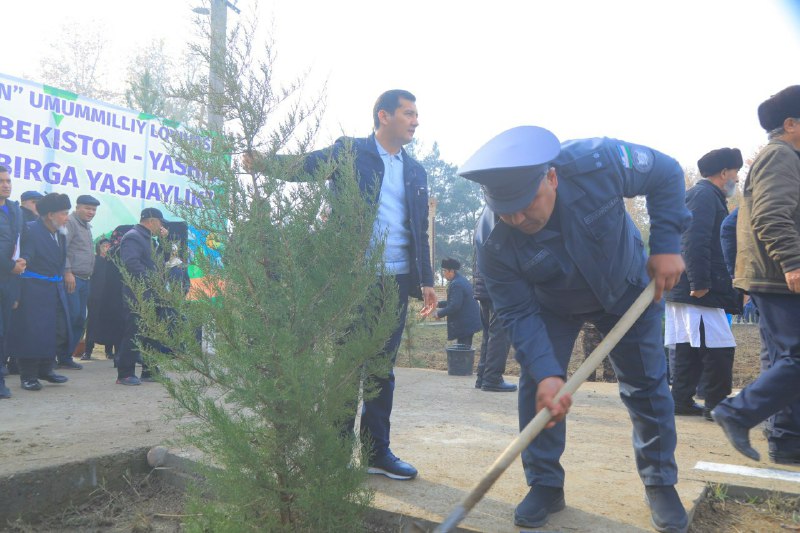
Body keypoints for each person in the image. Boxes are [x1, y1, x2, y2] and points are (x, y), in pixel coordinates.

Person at [460, 126, 690, 532]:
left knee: (647, 386)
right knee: (538, 387)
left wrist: (667, 244)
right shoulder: (492, 239)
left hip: (626, 288)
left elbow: (666, 173)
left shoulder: (595, 162)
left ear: (551, 177)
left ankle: (660, 483)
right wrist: (548, 372)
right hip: (552, 305)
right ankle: (545, 484)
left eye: (525, 204)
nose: (515, 218)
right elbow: (514, 311)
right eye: (504, 209)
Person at [245, 89, 437, 481]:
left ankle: (375, 452)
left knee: (382, 368)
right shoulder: (351, 152)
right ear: (384, 116)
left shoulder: (416, 171)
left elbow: (420, 228)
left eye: (417, 115)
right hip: (355, 279)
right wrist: (263, 162)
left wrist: (427, 280)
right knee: (348, 367)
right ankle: (332, 453)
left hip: (397, 281)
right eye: (408, 113)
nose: (415, 121)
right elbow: (305, 166)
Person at [712, 85, 800, 466]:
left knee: (784, 360)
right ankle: (737, 412)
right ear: (791, 123)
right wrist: (793, 261)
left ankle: (786, 441)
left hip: (773, 273)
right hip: (778, 274)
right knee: (796, 358)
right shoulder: (781, 156)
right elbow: (770, 214)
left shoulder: (782, 156)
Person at [665, 148, 742, 421]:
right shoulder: (704, 196)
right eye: (736, 173)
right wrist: (699, 282)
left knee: (687, 344)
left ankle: (681, 400)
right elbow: (693, 240)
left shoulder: (704, 195)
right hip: (697, 286)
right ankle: (716, 404)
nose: (737, 178)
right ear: (724, 173)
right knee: (718, 346)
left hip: (687, 285)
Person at [10, 193, 71, 391]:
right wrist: (16, 294)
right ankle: (27, 375)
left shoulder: (60, 233)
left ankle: (46, 369)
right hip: (32, 289)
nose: (66, 218)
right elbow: (21, 262)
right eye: (63, 213)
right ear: (50, 214)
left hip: (53, 288)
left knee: (52, 330)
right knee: (31, 333)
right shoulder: (30, 231)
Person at [116, 208, 168, 385]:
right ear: (152, 221)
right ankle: (125, 373)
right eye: (160, 222)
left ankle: (150, 370)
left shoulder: (149, 239)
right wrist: (152, 279)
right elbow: (131, 263)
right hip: (138, 292)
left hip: (152, 292)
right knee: (134, 331)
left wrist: (163, 241)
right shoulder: (133, 236)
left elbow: (160, 261)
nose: (161, 226)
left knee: (152, 332)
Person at [60, 194, 100, 370]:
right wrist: (67, 272)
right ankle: (60, 356)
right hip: (72, 278)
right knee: (72, 317)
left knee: (79, 319)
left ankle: (66, 356)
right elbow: (63, 249)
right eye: (87, 208)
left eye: (94, 210)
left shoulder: (86, 226)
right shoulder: (70, 222)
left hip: (85, 279)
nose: (91, 212)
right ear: (78, 207)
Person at [472, 245, 517, 392]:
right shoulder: (501, 221)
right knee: (501, 332)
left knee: (489, 333)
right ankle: (492, 378)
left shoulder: (482, 222)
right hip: (498, 283)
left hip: (483, 282)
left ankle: (482, 376)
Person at [0, 165, 25, 399]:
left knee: (4, 331)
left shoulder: (14, 211)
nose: (6, 184)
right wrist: (9, 266)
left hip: (9, 282)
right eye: (1, 181)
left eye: (8, 181)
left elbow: (19, 243)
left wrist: (19, 264)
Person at [433, 258, 481, 348]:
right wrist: (438, 304)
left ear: (451, 271)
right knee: (464, 348)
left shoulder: (456, 284)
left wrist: (439, 314)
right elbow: (455, 301)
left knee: (463, 351)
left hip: (466, 323)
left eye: (444, 271)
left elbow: (454, 306)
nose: (443, 274)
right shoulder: (461, 280)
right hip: (468, 322)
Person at [82, 238, 113, 360]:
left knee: (110, 322)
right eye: (104, 245)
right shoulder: (95, 260)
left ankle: (109, 351)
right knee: (92, 322)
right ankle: (88, 350)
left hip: (110, 296)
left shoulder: (113, 262)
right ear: (98, 247)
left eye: (108, 245)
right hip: (95, 295)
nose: (106, 248)